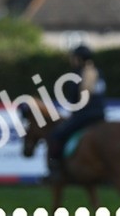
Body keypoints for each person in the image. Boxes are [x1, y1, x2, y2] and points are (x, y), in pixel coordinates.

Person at [45, 44, 107, 182]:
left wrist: (73, 113)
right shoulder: (98, 72)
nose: (72, 60)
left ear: (79, 59)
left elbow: (80, 98)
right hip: (100, 115)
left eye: (74, 58)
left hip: (85, 116)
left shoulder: (81, 74)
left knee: (56, 135)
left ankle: (56, 170)